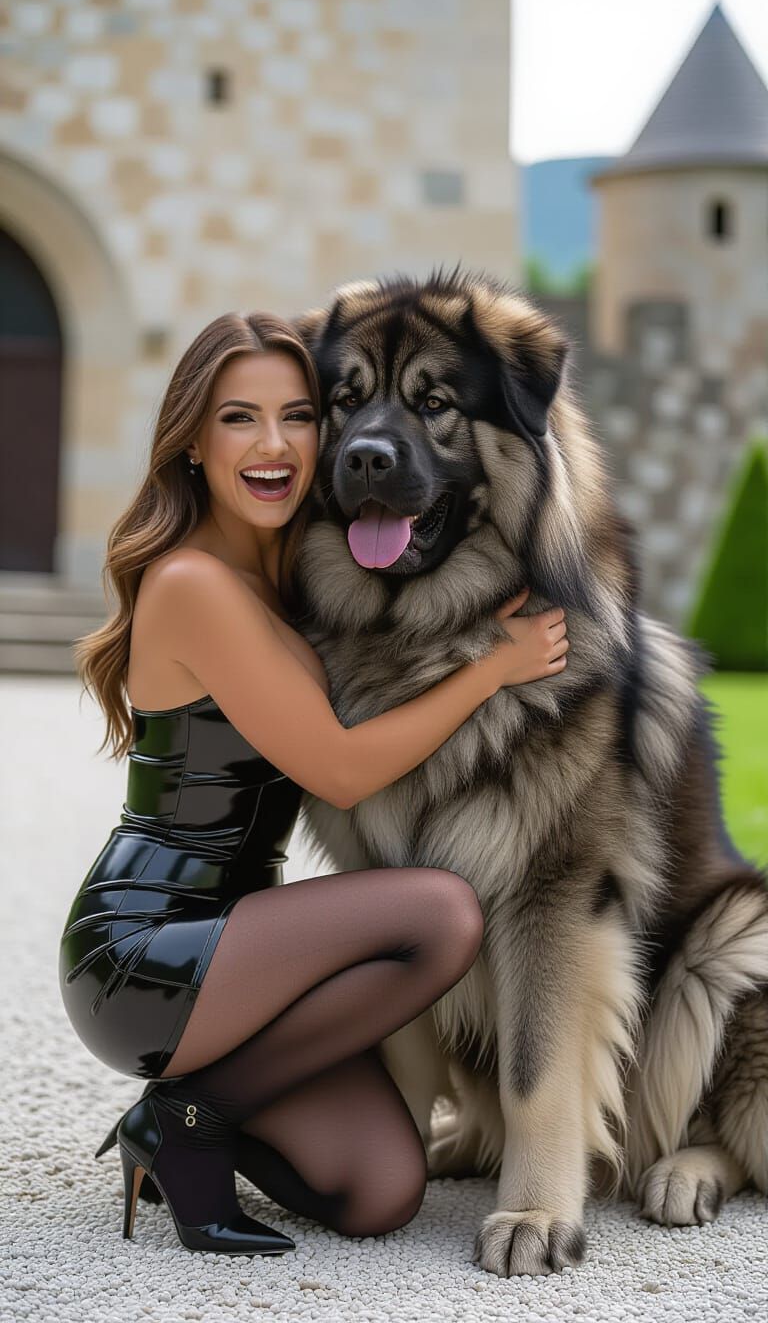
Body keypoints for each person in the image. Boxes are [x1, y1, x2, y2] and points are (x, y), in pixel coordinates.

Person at [59, 311, 569, 1257]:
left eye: (298, 416)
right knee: (440, 914)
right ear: (193, 442)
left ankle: (180, 1117)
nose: (274, 444)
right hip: (146, 949)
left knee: (378, 1189)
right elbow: (337, 763)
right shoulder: (192, 584)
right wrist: (491, 667)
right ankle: (190, 1116)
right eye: (238, 419)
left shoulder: (290, 574)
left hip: (246, 949)